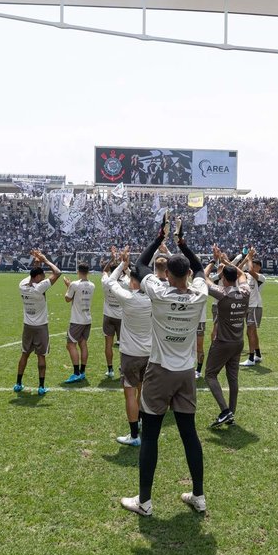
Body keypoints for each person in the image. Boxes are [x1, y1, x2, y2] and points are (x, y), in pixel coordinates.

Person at [121, 216, 209, 517]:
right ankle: (199, 496)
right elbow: (199, 269)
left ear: (168, 275)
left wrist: (160, 237)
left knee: (151, 436)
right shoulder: (200, 294)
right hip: (186, 373)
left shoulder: (157, 292)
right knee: (189, 435)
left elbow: (140, 266)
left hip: (159, 371)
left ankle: (144, 501)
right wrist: (183, 242)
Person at [102, 246, 152, 447]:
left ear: (133, 282)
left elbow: (110, 281)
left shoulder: (128, 298)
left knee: (130, 392)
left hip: (131, 354)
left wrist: (123, 263)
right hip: (150, 353)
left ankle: (134, 435)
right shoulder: (154, 298)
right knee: (144, 391)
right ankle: (143, 424)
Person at [204, 245, 251, 427]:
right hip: (238, 341)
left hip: (223, 342)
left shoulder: (222, 293)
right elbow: (242, 275)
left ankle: (225, 411)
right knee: (233, 379)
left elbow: (203, 278)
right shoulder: (245, 292)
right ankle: (232, 412)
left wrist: (214, 260)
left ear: (223, 278)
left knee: (210, 375)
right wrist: (225, 262)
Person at [15, 250, 62, 396]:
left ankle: (18, 383)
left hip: (27, 326)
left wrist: (37, 262)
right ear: (37, 278)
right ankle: (41, 386)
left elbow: (32, 274)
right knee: (41, 356)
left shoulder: (22, 284)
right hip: (41, 326)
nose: (44, 278)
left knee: (24, 354)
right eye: (41, 276)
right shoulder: (40, 288)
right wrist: (45, 260)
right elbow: (57, 273)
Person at [63, 263, 95, 383]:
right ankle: (82, 372)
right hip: (87, 319)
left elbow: (67, 299)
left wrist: (68, 286)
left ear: (78, 271)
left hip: (77, 320)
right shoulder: (92, 285)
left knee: (70, 345)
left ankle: (76, 373)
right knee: (83, 344)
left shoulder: (74, 285)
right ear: (88, 272)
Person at [240, 248, 266, 367]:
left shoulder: (260, 277)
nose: (251, 266)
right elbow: (238, 270)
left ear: (259, 267)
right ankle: (258, 355)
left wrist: (249, 258)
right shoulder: (247, 275)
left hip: (255, 306)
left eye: (254, 265)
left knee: (250, 331)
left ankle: (251, 358)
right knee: (252, 332)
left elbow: (250, 270)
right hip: (248, 306)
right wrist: (246, 259)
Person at [101, 248, 124, 380]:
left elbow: (104, 270)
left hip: (108, 315)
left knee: (108, 344)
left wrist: (112, 258)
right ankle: (122, 368)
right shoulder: (125, 283)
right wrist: (121, 261)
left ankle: (110, 369)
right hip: (121, 317)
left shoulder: (106, 281)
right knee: (123, 345)